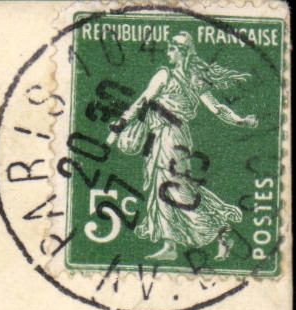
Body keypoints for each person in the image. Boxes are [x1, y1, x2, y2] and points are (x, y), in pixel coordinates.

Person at [106, 32, 259, 261]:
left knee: (176, 188)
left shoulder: (169, 76)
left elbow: (143, 102)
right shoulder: (190, 78)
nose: (168, 53)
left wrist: (121, 123)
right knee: (164, 187)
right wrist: (239, 120)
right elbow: (217, 108)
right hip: (164, 136)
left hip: (171, 136)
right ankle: (170, 245)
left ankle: (221, 232)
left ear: (182, 52)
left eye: (171, 49)